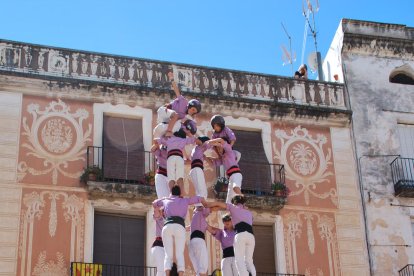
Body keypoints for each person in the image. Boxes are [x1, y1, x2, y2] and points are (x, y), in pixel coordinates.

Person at [153, 185, 207, 276]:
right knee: (179, 254)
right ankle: (181, 274)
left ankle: (167, 274)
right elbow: (200, 198)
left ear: (171, 192)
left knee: (168, 254)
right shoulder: (185, 200)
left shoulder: (166, 200)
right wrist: (205, 204)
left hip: (167, 226)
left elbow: (154, 203)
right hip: (179, 227)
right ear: (180, 193)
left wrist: (161, 205)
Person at [205, 195, 256, 276]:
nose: (226, 221)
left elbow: (219, 204)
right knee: (248, 260)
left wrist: (207, 204)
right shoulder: (248, 213)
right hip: (250, 236)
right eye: (224, 220)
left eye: (229, 218)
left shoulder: (233, 208)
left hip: (240, 236)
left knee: (239, 261)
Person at [156, 121, 201, 194]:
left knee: (171, 178)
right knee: (180, 177)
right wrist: (189, 133)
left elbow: (156, 140)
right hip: (179, 157)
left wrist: (157, 144)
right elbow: (195, 139)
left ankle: (172, 195)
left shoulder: (169, 139)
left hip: (170, 157)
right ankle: (181, 194)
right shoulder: (183, 140)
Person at [157, 72, 202, 137]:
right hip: (164, 111)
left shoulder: (184, 116)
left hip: (166, 120)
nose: (192, 112)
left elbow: (191, 125)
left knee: (178, 126)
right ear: (190, 106)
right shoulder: (183, 102)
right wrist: (172, 78)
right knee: (176, 115)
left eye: (194, 112)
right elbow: (176, 91)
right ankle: (169, 132)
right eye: (193, 109)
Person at [207, 138, 243, 203]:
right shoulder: (222, 158)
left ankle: (243, 204)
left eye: (219, 148)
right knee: (229, 200)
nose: (218, 150)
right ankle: (230, 211)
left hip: (236, 174)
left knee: (235, 188)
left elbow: (221, 140)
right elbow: (213, 162)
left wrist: (209, 142)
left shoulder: (229, 152)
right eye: (217, 149)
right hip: (231, 177)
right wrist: (204, 156)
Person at [189, 206, 212, 276]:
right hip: (199, 241)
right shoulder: (200, 213)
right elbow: (208, 209)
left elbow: (186, 228)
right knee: (203, 269)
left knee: (198, 270)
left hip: (191, 243)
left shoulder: (193, 219)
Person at [151, 207, 165, 276]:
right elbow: (156, 213)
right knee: (161, 270)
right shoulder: (160, 218)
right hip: (159, 245)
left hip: (165, 247)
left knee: (165, 270)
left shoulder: (170, 222)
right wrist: (158, 206)